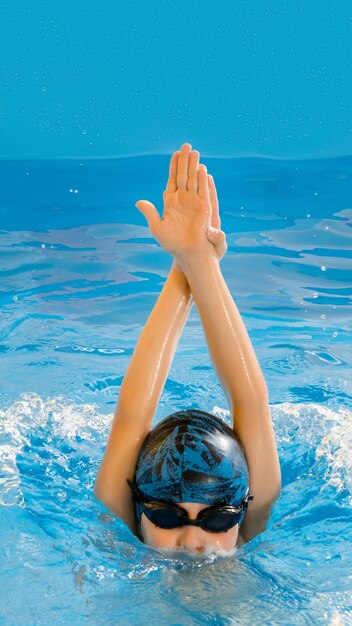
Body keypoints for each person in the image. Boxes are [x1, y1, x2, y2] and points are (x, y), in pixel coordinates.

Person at [94, 143, 281, 554]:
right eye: (165, 514)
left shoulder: (253, 519)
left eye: (217, 518)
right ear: (138, 507)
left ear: (241, 509)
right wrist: (193, 262)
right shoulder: (119, 522)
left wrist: (194, 261)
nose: (193, 542)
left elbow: (253, 402)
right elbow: (131, 414)